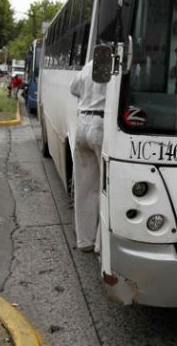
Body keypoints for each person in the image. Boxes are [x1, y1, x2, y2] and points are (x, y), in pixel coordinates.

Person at [69, 60, 107, 252]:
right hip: (101, 124)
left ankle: (85, 240)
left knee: (84, 187)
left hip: (82, 121)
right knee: (105, 188)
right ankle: (101, 244)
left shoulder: (89, 64)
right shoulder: (115, 62)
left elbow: (73, 88)